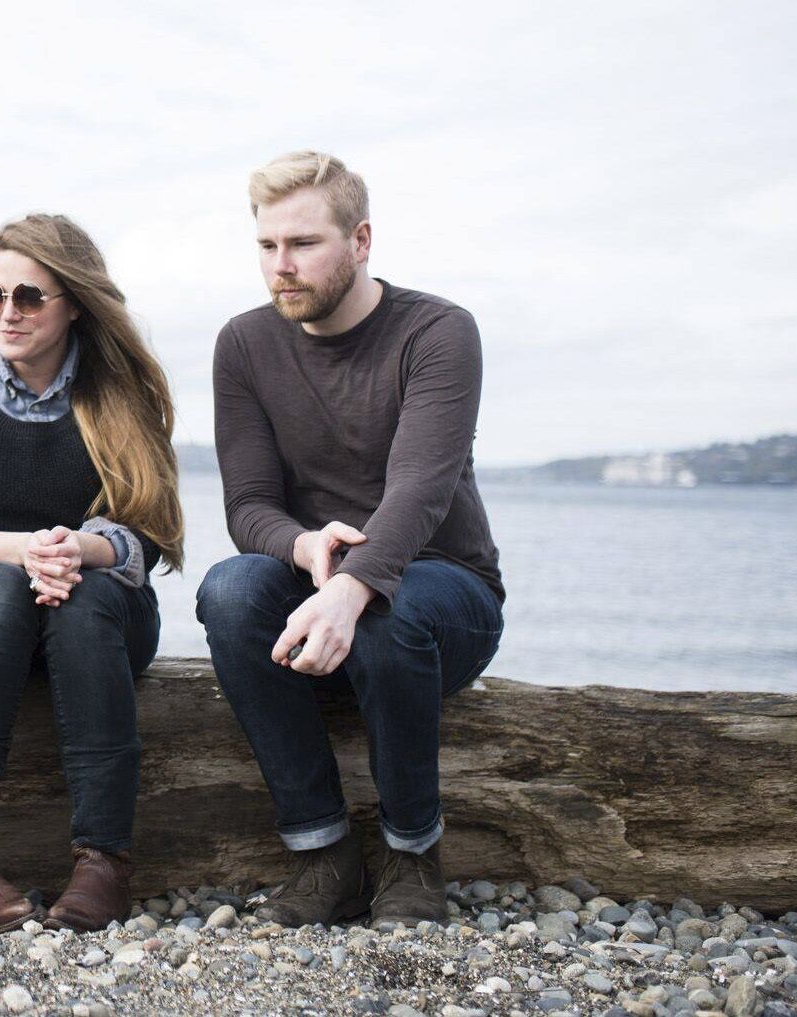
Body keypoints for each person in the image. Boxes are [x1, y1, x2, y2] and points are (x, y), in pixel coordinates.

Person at [196, 151, 504, 929]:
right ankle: (323, 854)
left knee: (386, 612)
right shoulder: (243, 344)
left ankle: (411, 853)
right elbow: (250, 505)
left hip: (445, 589)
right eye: (267, 247)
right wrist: (306, 550)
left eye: (303, 244)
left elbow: (420, 491)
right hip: (319, 589)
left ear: (361, 240)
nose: (281, 266)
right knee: (228, 590)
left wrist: (351, 584)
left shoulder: (438, 331)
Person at [0, 213, 184, 933]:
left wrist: (76, 551)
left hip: (92, 609)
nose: (7, 311)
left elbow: (149, 531)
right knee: (1, 591)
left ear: (75, 305)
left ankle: (103, 861)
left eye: (29, 296)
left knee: (84, 603)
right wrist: (27, 550)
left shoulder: (122, 394)